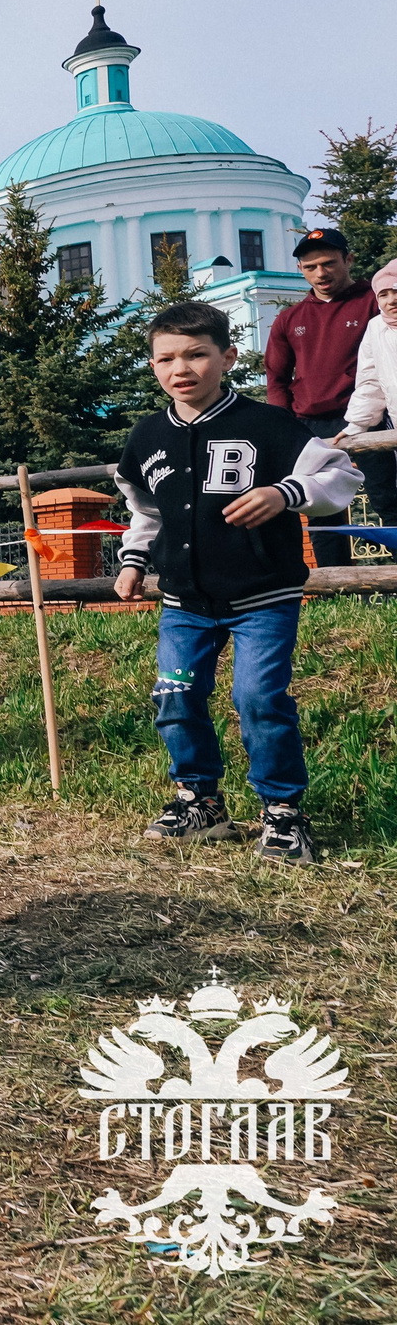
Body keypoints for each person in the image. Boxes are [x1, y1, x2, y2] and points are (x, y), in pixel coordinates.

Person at [115, 301, 359, 864]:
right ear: (153, 366)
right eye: (167, 358)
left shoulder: (267, 425)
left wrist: (284, 494)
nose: (182, 368)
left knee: (258, 699)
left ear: (226, 357)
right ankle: (200, 802)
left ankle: (282, 813)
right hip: (184, 604)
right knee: (175, 695)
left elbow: (340, 472)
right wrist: (133, 561)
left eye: (197, 354)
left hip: (263, 599)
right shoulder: (147, 437)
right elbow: (146, 511)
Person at [269, 230, 384, 568]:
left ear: (348, 260)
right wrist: (285, 427)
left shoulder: (376, 302)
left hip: (369, 421)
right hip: (311, 427)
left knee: (387, 500)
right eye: (310, 266)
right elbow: (276, 377)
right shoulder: (290, 319)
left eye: (329, 263)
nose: (321, 273)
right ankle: (336, 589)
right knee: (322, 511)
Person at [336, 258, 397, 523]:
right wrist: (355, 425)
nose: (391, 300)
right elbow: (370, 382)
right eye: (383, 294)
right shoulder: (376, 328)